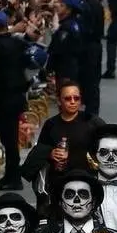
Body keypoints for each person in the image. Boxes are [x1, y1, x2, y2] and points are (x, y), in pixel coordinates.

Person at [22, 80, 104, 214]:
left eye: (76, 98)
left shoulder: (92, 122)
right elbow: (39, 152)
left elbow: (106, 149)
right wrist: (50, 153)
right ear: (59, 101)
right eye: (67, 98)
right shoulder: (51, 124)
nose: (73, 102)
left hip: (87, 183)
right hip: (58, 185)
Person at [0, 11, 37, 190]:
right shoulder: (16, 42)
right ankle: (12, 175)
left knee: (9, 139)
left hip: (3, 98)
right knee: (11, 138)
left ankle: (13, 177)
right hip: (18, 96)